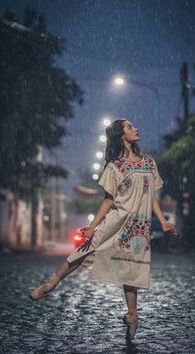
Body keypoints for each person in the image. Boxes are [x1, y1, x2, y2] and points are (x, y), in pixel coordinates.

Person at [30, 119, 178, 340]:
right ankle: (51, 284)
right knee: (85, 249)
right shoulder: (114, 166)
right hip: (115, 221)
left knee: (132, 269)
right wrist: (92, 226)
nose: (135, 128)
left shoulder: (149, 163)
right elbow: (108, 200)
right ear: (120, 135)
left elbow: (152, 197)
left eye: (134, 126)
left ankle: (132, 315)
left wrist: (163, 221)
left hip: (137, 227)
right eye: (129, 127)